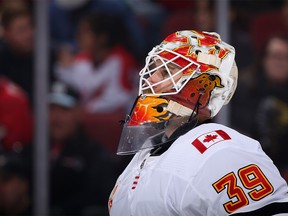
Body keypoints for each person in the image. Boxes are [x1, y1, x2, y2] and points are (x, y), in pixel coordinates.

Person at [108, 30, 288, 215]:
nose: (150, 78)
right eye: (153, 69)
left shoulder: (223, 151)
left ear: (204, 87)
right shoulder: (143, 154)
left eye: (166, 71)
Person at [48, 81, 117, 215]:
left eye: (64, 110)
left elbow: (100, 198)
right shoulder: (32, 150)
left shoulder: (93, 154)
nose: (56, 117)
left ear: (79, 113)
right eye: (51, 109)